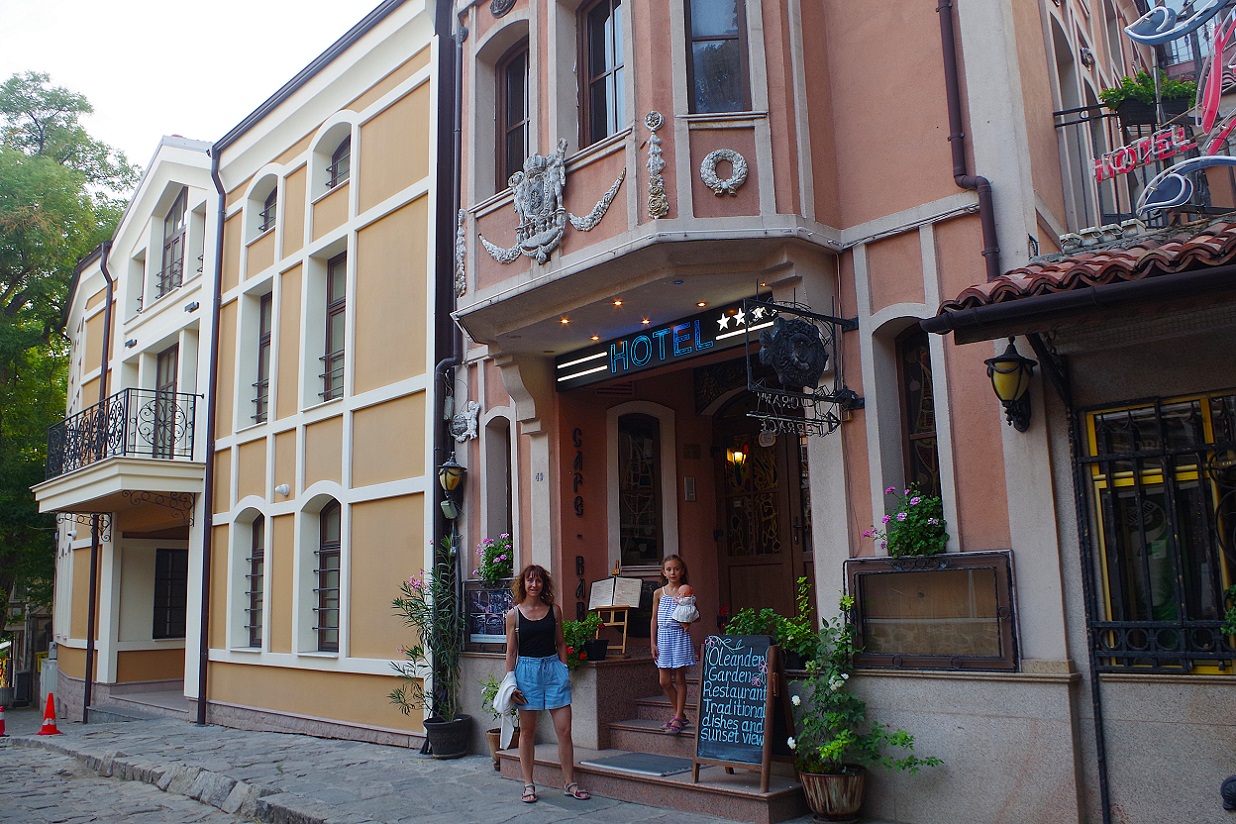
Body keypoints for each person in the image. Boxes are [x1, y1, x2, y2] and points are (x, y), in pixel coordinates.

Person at [505, 564, 590, 804]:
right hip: (526, 673)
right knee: (528, 732)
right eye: (530, 580)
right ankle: (528, 784)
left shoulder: (554, 611)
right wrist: (511, 682)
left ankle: (569, 783)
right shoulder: (514, 615)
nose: (534, 585)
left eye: (538, 581)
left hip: (553, 670)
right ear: (523, 584)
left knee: (564, 730)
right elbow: (511, 652)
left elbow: (561, 643)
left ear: (544, 584)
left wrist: (563, 669)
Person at [651, 554, 698, 734]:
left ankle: (678, 716)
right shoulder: (659, 593)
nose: (673, 572)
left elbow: (696, 615)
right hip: (663, 638)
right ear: (663, 572)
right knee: (664, 681)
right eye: (669, 569)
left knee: (679, 678)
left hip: (679, 636)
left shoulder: (685, 591)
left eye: (676, 569)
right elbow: (654, 618)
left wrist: (687, 619)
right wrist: (653, 642)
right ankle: (680, 715)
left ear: (682, 571)